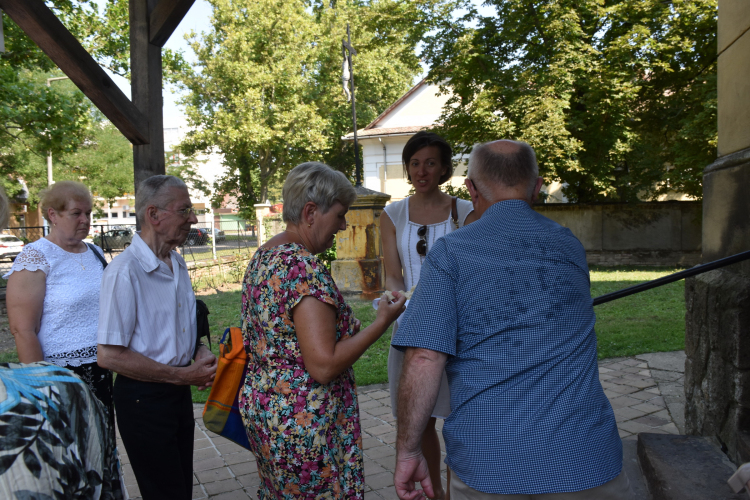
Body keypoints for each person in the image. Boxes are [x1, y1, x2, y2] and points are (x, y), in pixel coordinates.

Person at [392, 140, 634, 500]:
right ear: (537, 187)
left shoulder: (450, 251)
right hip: (587, 458)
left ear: (471, 189)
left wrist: (409, 450)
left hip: (490, 463)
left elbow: (425, 356)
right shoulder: (570, 245)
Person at [240, 162, 406, 499]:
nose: (344, 226)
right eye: (340, 215)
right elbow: (324, 365)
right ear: (311, 212)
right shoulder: (302, 266)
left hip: (269, 412)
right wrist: (381, 322)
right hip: (304, 423)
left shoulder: (264, 256)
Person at [97, 175, 217, 500]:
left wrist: (199, 351)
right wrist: (182, 375)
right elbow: (109, 356)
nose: (193, 218)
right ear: (154, 215)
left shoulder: (175, 261)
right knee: (165, 493)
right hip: (143, 400)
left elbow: (176, 326)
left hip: (175, 394)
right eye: (185, 210)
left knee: (178, 489)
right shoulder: (124, 272)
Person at [381, 131, 476, 499]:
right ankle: (435, 492)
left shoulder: (466, 211)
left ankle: (461, 488)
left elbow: (471, 273)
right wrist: (396, 301)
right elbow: (393, 274)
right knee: (419, 422)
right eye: (415, 163)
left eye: (430, 162)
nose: (422, 171)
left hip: (459, 329)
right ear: (407, 168)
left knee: (463, 417)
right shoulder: (392, 214)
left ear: (444, 168)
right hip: (411, 329)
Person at [5, 181, 116, 431]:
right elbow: (22, 330)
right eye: (76, 213)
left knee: (100, 447)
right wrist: (41, 388)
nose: (85, 219)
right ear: (52, 215)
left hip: (101, 367)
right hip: (59, 375)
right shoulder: (35, 257)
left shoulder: (95, 252)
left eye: (88, 213)